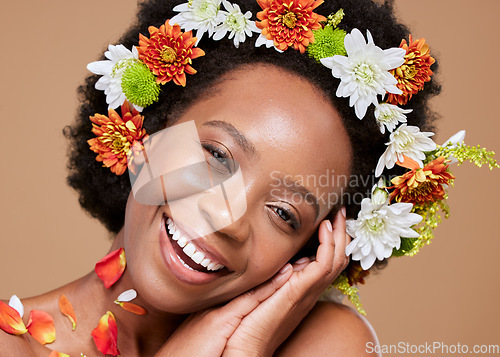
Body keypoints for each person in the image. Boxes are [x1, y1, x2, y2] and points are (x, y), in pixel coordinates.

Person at [3, 0, 494, 355]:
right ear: (144, 134)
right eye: (217, 155)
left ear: (310, 252)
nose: (228, 218)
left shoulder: (327, 345)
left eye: (284, 213)